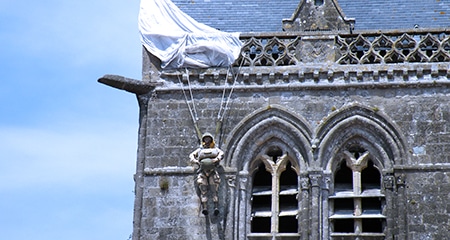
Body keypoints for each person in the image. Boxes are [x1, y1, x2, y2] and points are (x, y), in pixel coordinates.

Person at [189, 133, 224, 215]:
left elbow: (222, 154)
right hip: (202, 172)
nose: (207, 141)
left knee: (214, 189)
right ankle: (205, 207)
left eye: (208, 139)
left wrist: (216, 159)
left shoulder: (215, 149)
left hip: (212, 171)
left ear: (211, 140)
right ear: (204, 140)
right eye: (206, 139)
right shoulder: (200, 150)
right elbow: (191, 156)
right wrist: (196, 161)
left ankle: (216, 207)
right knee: (203, 189)